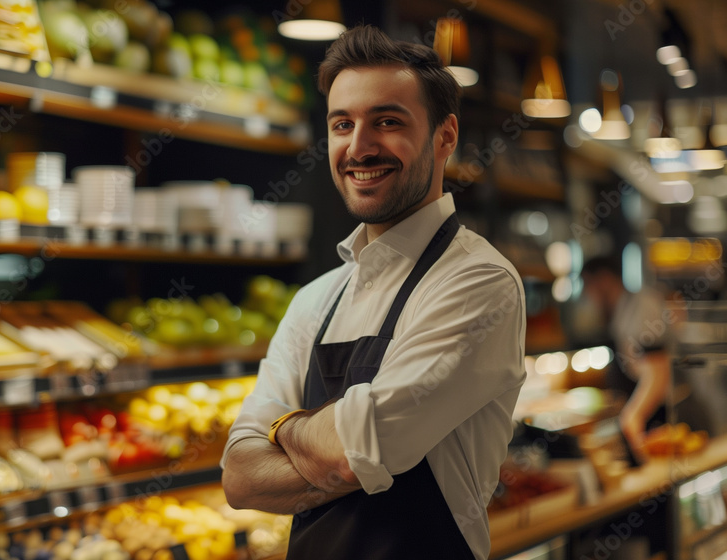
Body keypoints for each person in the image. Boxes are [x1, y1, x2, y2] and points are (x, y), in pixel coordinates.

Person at [220, 25, 526, 560]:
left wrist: (282, 425)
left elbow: (350, 456)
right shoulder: (315, 298)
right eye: (343, 124)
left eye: (387, 121)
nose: (359, 147)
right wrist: (347, 447)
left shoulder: (478, 283)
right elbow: (241, 479)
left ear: (445, 136)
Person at [580, 256, 681, 454]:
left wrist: (633, 415)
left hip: (671, 412)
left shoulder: (643, 306)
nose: (586, 294)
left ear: (604, 280)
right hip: (654, 411)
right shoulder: (622, 310)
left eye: (587, 285)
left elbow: (658, 373)